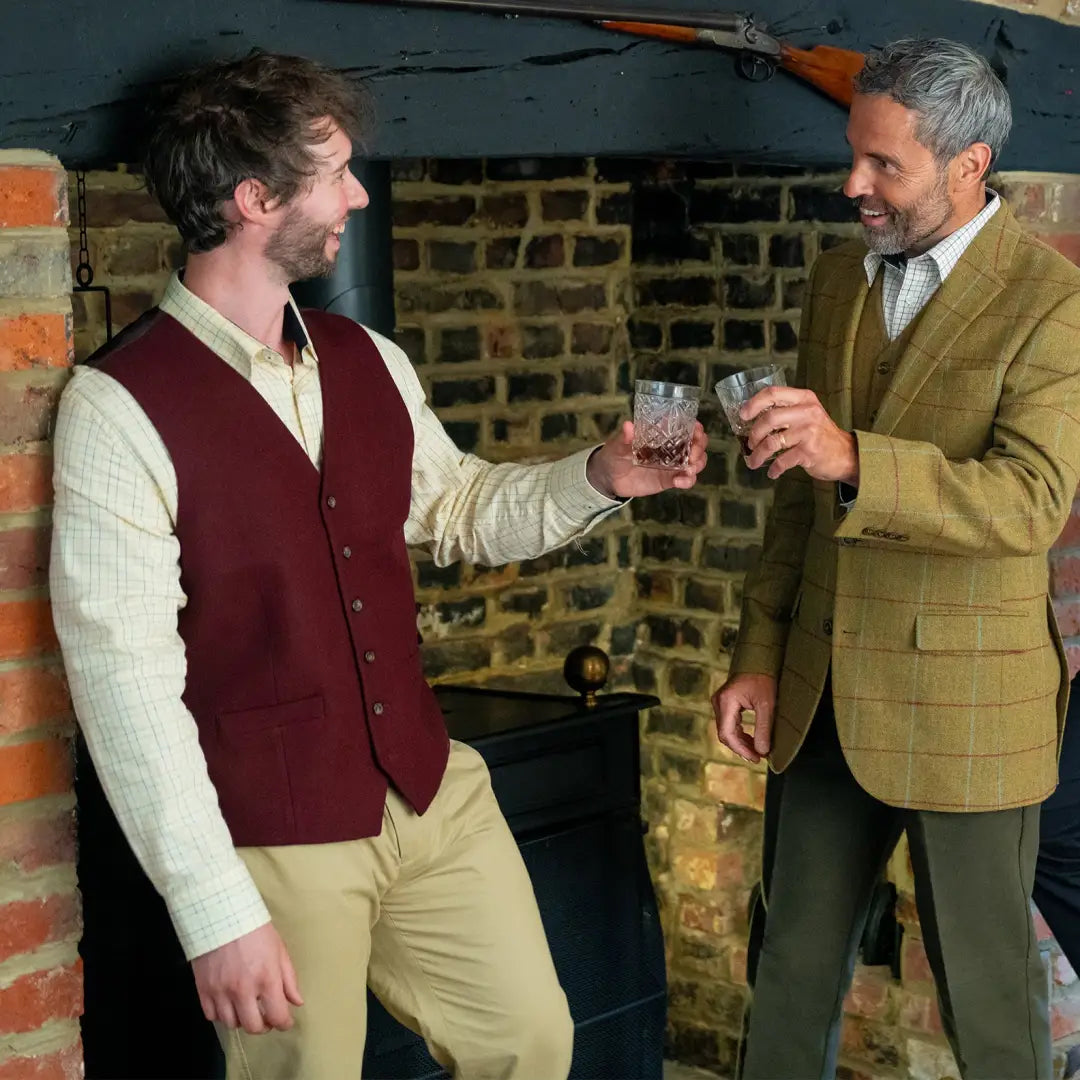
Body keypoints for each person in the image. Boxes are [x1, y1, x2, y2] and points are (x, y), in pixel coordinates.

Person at [49, 50, 707, 1080]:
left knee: (531, 1043)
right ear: (256, 197)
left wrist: (604, 475)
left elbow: (457, 509)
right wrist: (215, 908)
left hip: (434, 793)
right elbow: (123, 684)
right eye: (338, 171)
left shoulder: (368, 361)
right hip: (277, 834)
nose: (360, 192)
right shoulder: (117, 406)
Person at [712, 37, 1080, 1079]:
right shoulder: (837, 279)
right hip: (821, 692)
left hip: (974, 706)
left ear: (969, 163)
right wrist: (759, 652)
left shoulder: (1055, 305)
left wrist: (854, 456)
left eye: (884, 165)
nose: (852, 183)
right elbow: (798, 498)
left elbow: (1029, 501)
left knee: (988, 1001)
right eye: (853, 154)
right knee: (784, 974)